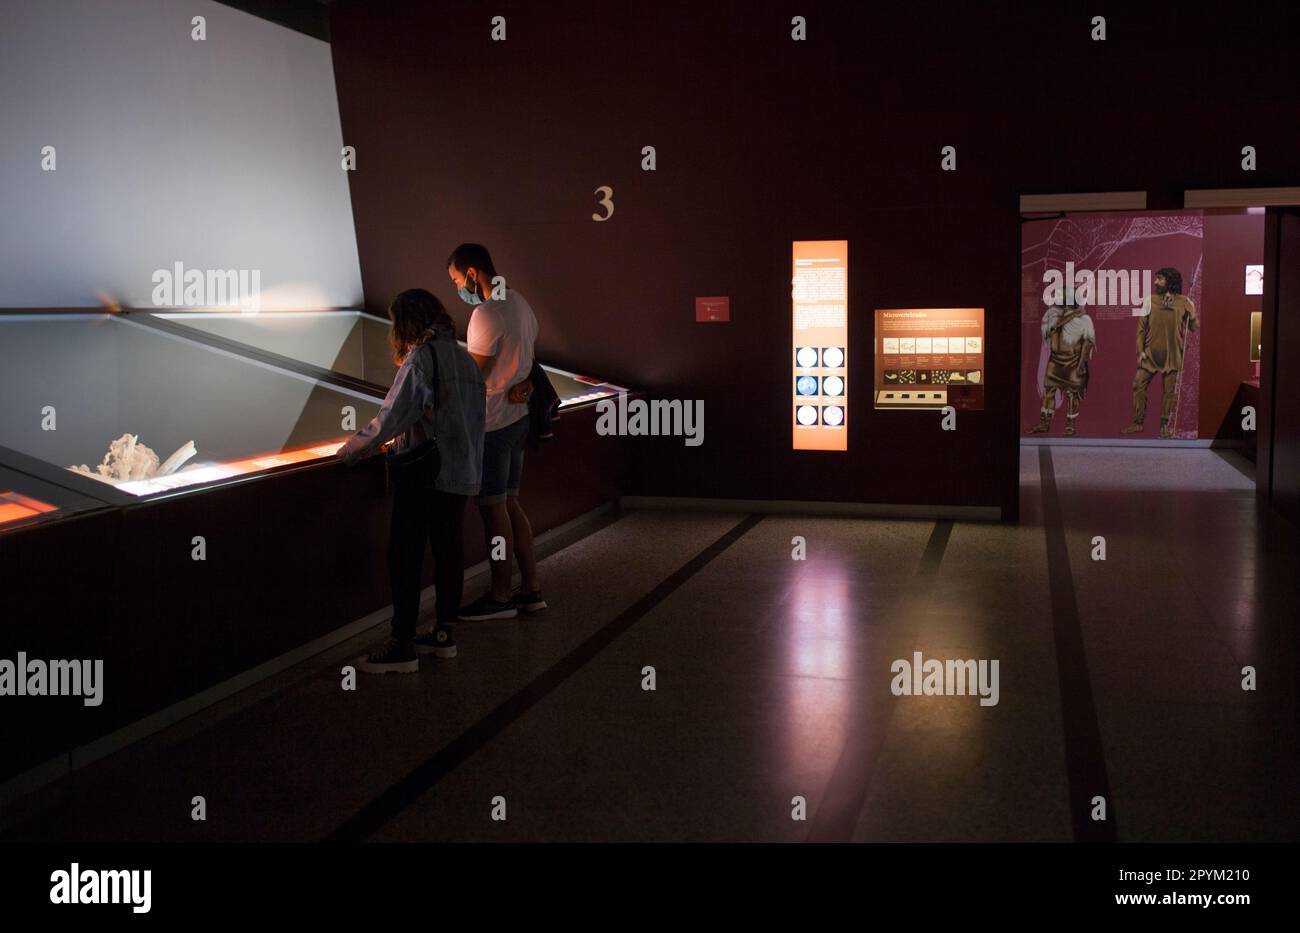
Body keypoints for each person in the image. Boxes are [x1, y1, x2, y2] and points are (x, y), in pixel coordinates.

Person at [339, 288, 485, 674]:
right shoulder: (465, 359)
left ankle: (402, 645)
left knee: (404, 556)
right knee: (448, 554)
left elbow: (391, 417)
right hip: (461, 475)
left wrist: (351, 452)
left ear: (405, 322)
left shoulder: (423, 358)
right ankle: (443, 637)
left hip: (426, 477)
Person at [447, 243, 547, 620]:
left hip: (492, 425)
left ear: (472, 273)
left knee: (492, 511)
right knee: (511, 503)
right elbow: (528, 360)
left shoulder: (486, 314)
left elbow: (474, 379)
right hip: (519, 418)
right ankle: (531, 588)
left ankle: (501, 594)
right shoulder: (520, 303)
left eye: (458, 280)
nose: (459, 288)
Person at [1121, 267, 1199, 439]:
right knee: (1138, 385)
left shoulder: (1185, 302)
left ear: (1170, 282)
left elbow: (1193, 328)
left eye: (1160, 279)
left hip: (1172, 355)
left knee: (1169, 392)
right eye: (1156, 278)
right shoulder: (1150, 300)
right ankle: (1138, 423)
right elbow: (1141, 328)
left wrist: (1192, 314)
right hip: (1150, 354)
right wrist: (1140, 351)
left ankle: (1164, 425)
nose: (1156, 282)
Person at [1026, 289, 1096, 436]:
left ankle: (1070, 426)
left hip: (1073, 362)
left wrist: (1081, 363)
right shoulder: (1052, 314)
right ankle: (1044, 423)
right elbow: (1045, 333)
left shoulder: (1084, 319)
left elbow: (1088, 342)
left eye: (1060, 296)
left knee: (1073, 394)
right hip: (1055, 361)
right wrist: (1053, 323)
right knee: (1049, 392)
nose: (1057, 298)